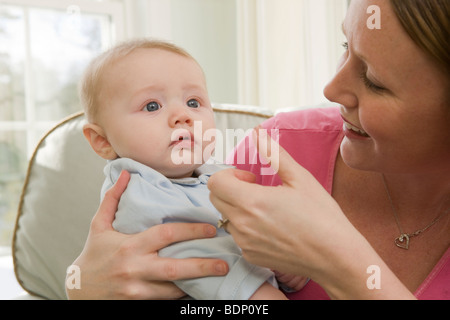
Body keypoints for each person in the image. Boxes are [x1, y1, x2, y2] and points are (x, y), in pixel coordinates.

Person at [67, 0, 449, 300]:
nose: (330, 90)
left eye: (375, 80)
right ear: (101, 140)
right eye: (345, 46)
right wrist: (82, 285)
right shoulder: (273, 151)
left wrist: (335, 260)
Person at [78, 39, 287, 300]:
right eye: (152, 105)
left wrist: (282, 262)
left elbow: (250, 235)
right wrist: (258, 294)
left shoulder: (216, 174)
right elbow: (186, 255)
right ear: (103, 141)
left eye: (193, 102)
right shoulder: (136, 190)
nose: (183, 116)